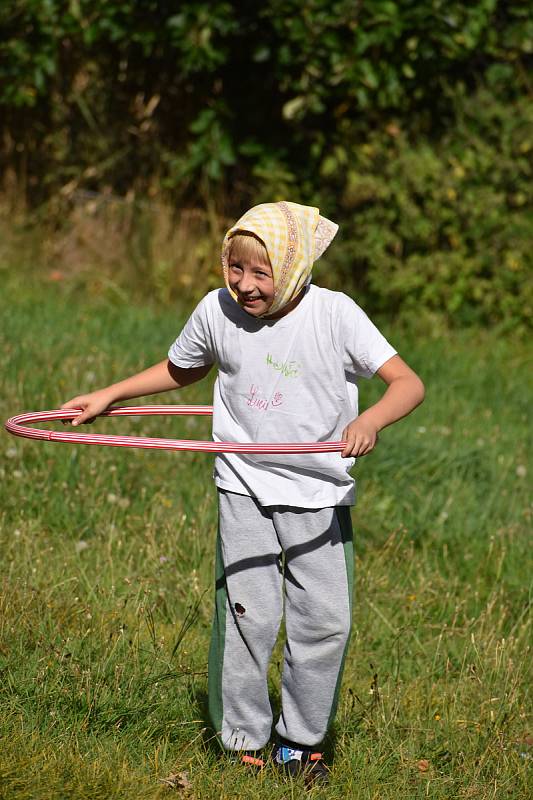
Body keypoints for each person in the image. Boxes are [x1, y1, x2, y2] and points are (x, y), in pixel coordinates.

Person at [62, 201, 425, 786]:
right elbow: (184, 370)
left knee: (323, 620)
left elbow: (408, 383)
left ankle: (301, 744)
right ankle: (243, 742)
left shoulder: (336, 315)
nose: (245, 286)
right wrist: (111, 396)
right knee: (248, 614)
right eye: (236, 267)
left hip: (317, 491)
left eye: (262, 273)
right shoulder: (217, 310)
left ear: (295, 267)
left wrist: (372, 422)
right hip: (244, 484)